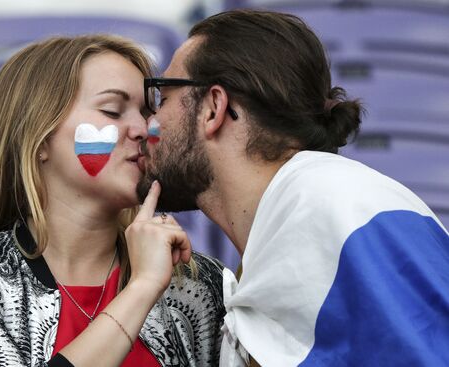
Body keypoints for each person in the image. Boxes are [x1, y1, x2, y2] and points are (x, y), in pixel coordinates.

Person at [137, 9, 449, 367]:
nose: (151, 123)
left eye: (164, 98)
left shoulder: (339, 206)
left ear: (213, 108)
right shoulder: (298, 221)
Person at [0, 35, 225, 367]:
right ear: (39, 139)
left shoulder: (196, 283)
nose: (144, 128)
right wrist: (142, 288)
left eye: (148, 111)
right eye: (112, 110)